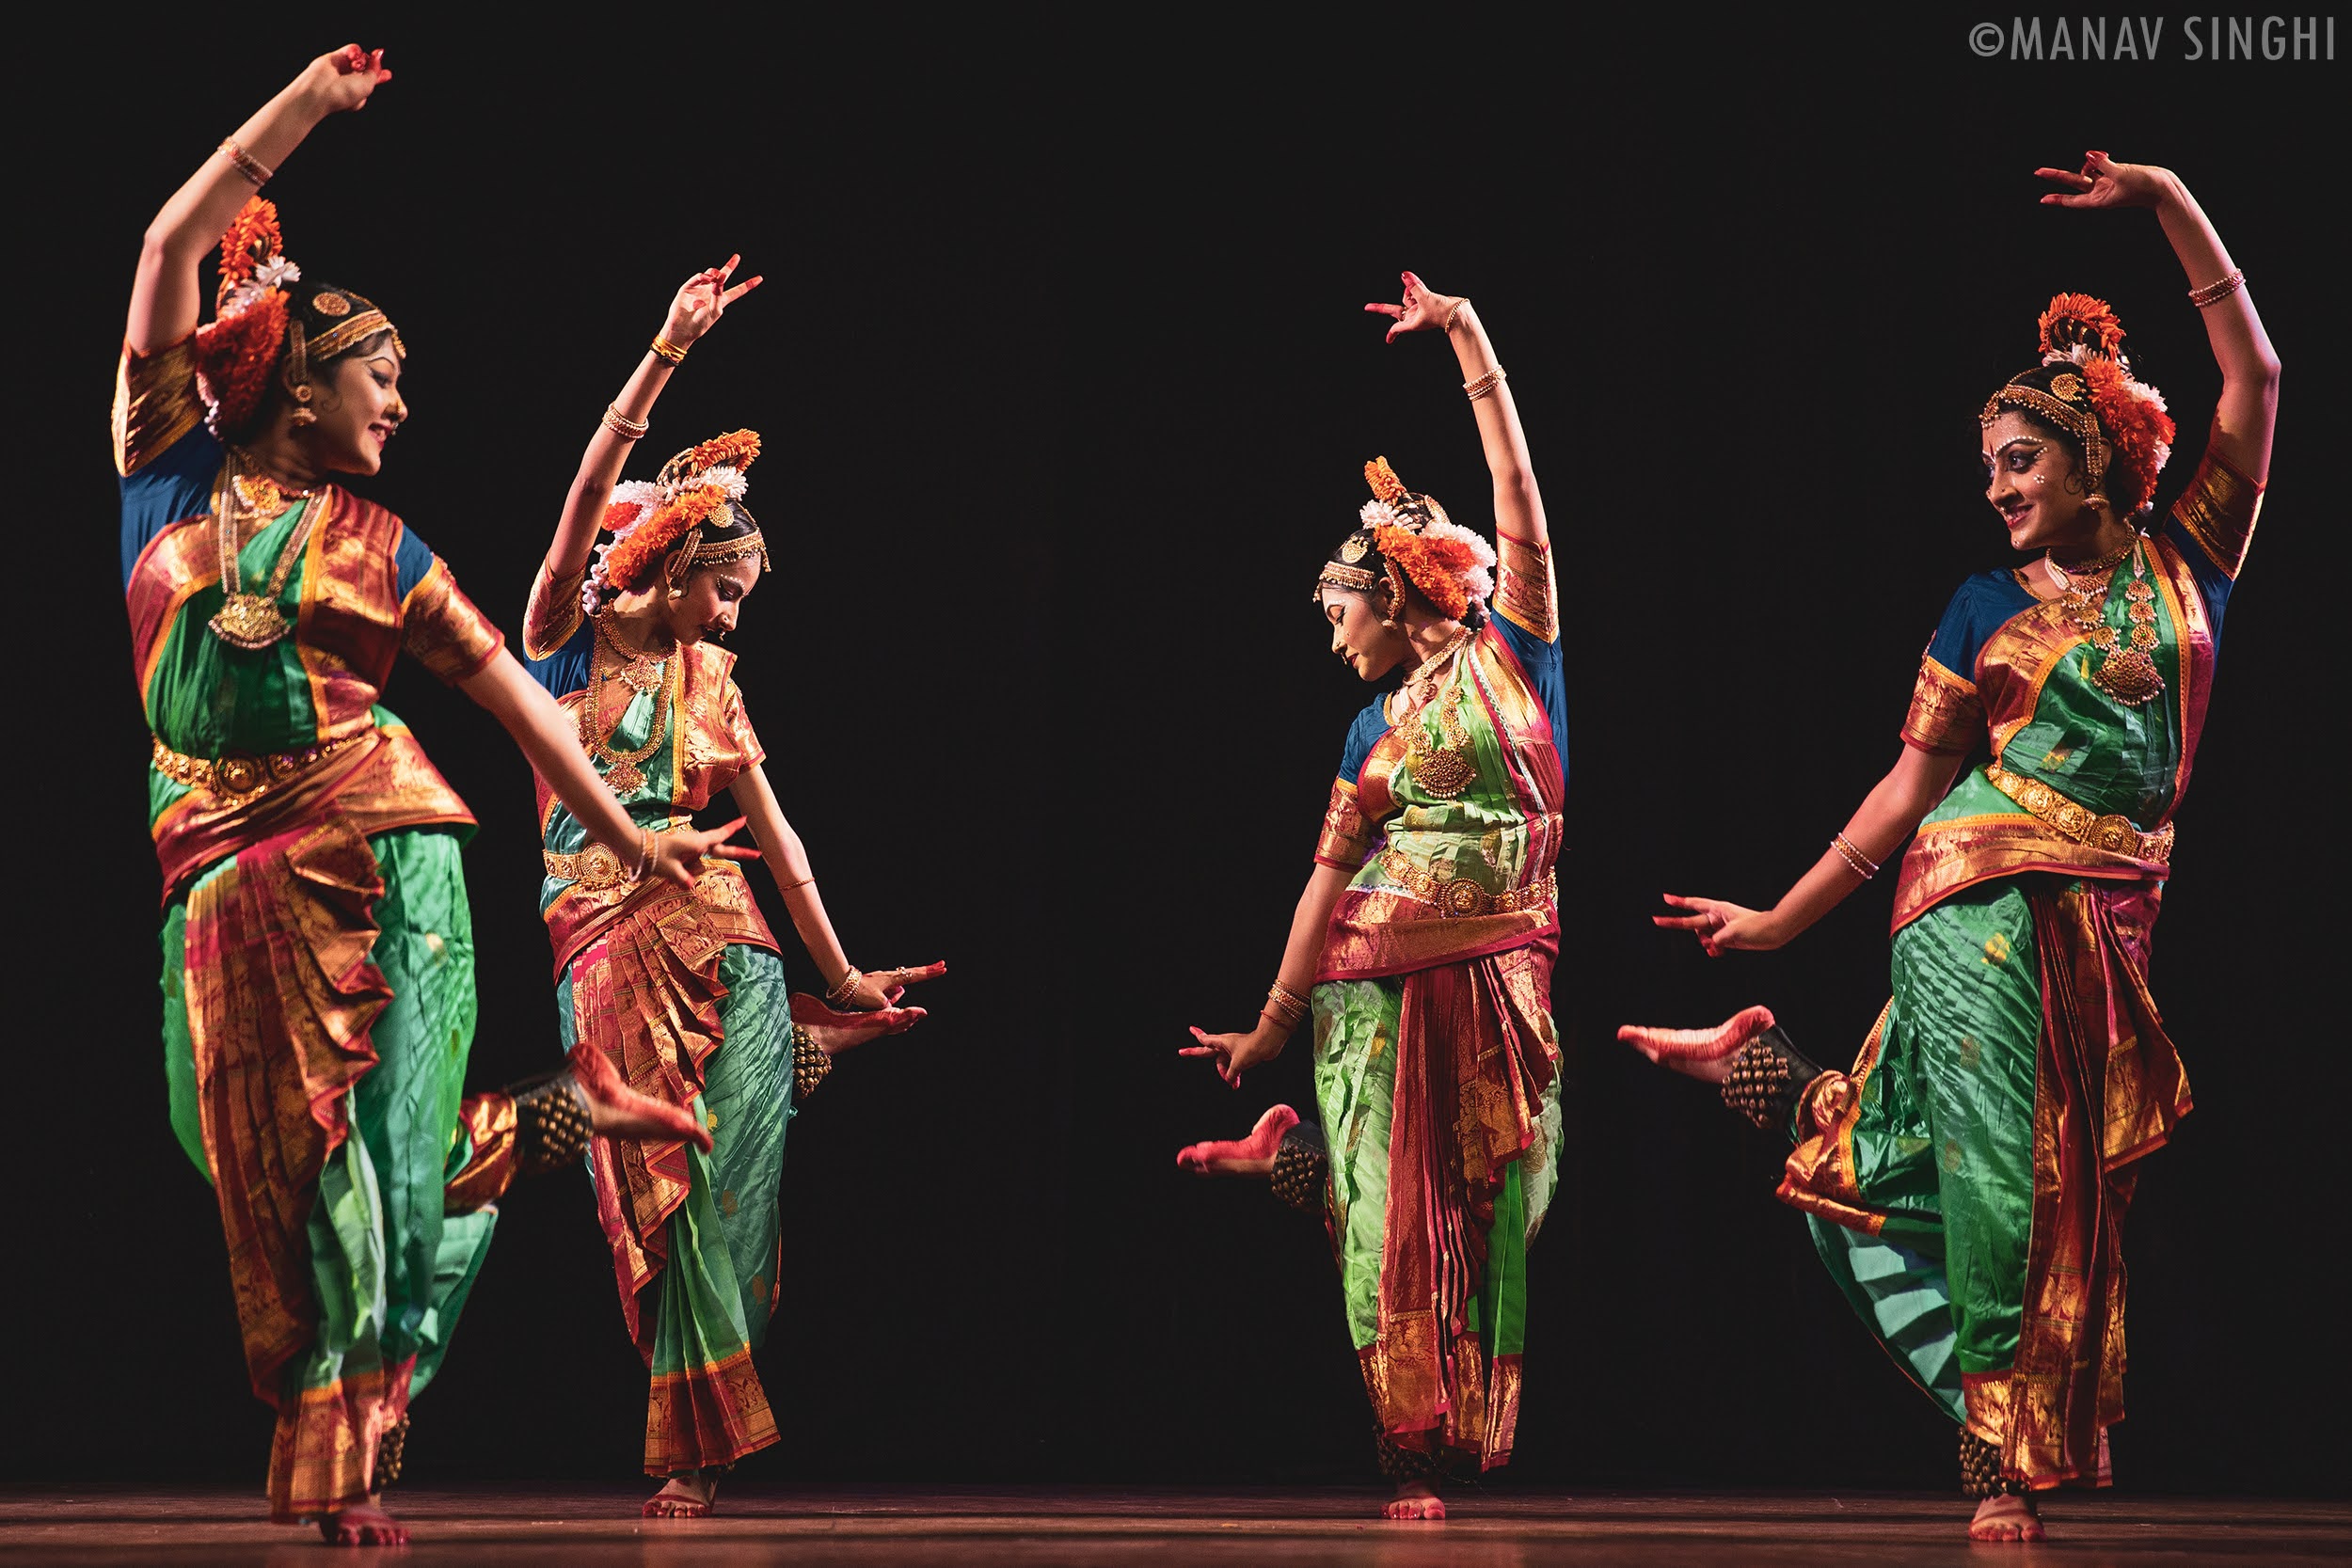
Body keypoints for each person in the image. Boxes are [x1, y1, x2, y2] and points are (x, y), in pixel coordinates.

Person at [119, 45, 739, 1546]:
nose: (401, 402)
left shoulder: (385, 546)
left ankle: (345, 1468)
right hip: (218, 871)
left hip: (396, 858)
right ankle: (545, 1120)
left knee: (387, 1178)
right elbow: (166, 243)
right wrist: (307, 115)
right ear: (297, 381)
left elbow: (519, 708)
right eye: (379, 378)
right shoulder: (162, 474)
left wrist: (628, 833)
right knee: (252, 1167)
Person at [1619, 152, 2277, 1543]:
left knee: (2029, 1178)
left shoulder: (2190, 560)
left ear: (2098, 455)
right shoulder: (1982, 605)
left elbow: (2258, 382)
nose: (1997, 488)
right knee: (1992, 1174)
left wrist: (2166, 202)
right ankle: (1996, 1460)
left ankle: (1769, 1072)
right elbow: (1908, 788)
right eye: (1987, 469)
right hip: (1971, 894)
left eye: (2021, 460)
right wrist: (1785, 920)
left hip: (2111, 918)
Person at [519, 262, 945, 1518]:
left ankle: (691, 1450)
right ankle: (689, 1431)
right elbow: (590, 487)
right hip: (601, 929)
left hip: (736, 944)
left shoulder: (716, 685)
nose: (733, 616)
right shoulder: (562, 638)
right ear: (665, 561)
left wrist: (842, 968)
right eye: (723, 590)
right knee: (649, 1185)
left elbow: (784, 840)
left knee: (739, 1190)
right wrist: (665, 349)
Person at [1176, 276, 1567, 1521]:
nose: (1333, 631)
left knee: (1509, 1194)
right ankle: (1412, 1453)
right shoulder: (1366, 731)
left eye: (1341, 609)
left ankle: (1297, 1165)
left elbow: (1525, 514)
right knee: (1389, 1218)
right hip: (1367, 977)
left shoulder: (1519, 655)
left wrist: (1468, 341)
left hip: (1502, 967)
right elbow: (1324, 881)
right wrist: (1270, 1026)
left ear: (1396, 597)